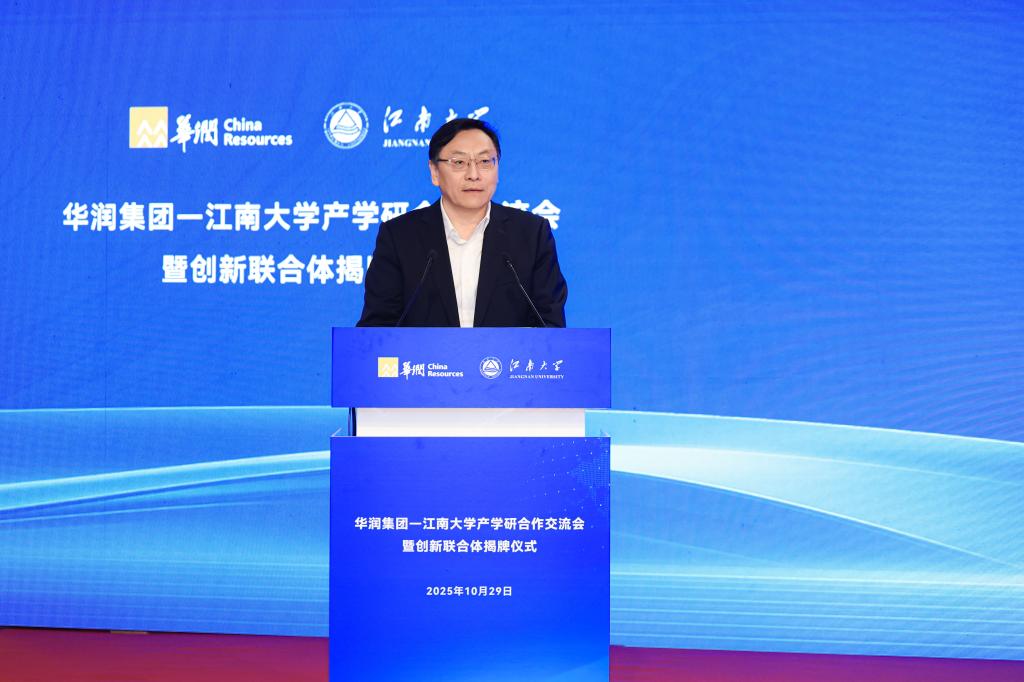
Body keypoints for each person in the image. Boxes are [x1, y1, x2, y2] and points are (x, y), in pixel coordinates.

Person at [356, 118, 568, 327]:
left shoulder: (531, 234)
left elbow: (550, 325)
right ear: (434, 172)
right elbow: (377, 329)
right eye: (459, 163)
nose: (473, 175)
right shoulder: (400, 236)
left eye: (485, 162)